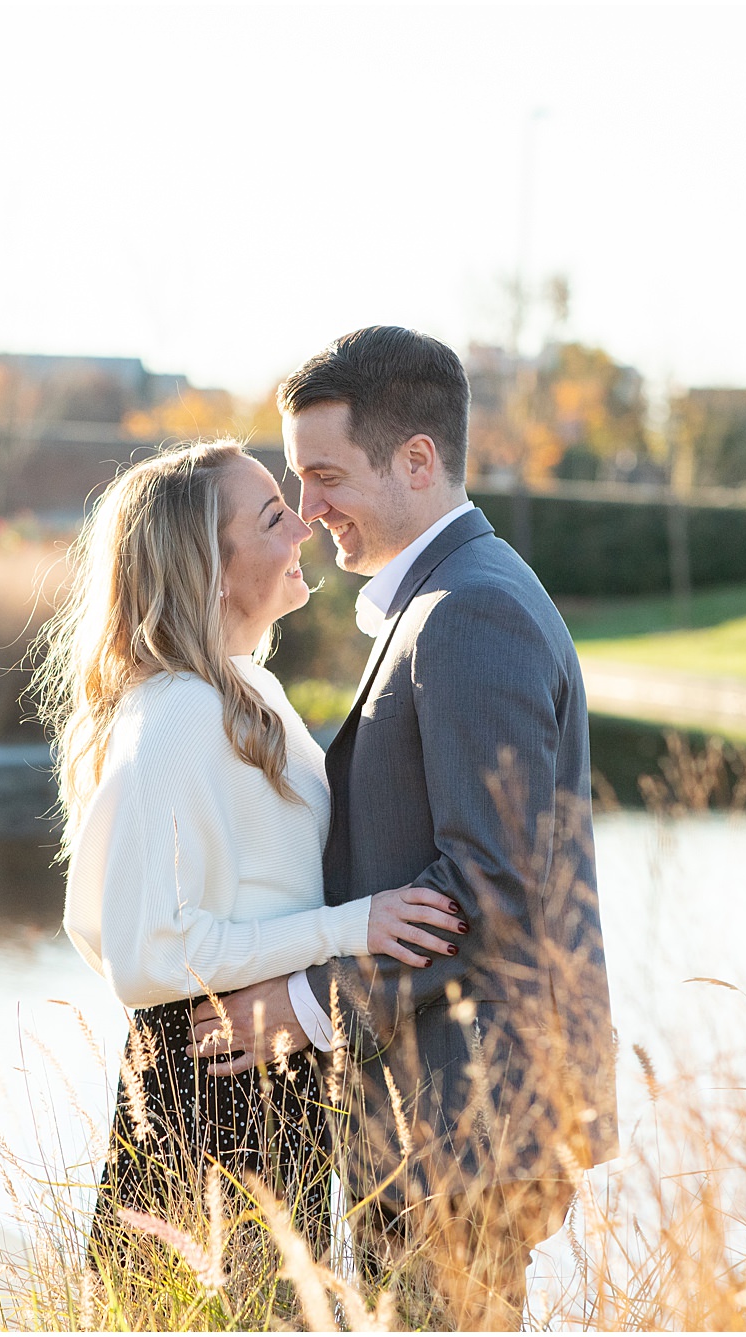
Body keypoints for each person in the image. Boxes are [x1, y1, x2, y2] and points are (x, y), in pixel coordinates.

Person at [186, 326, 619, 1329]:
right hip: (436, 1116)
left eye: (326, 474)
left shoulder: (470, 611)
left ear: (415, 459)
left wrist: (301, 1002)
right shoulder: (448, 595)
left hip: (462, 1122)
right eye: (297, 481)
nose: (308, 510)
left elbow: (490, 885)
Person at [33, 439, 465, 1270]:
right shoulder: (180, 712)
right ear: (211, 570)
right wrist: (350, 928)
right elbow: (147, 952)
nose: (305, 526)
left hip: (268, 1088)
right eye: (273, 517)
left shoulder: (247, 692)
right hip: (208, 1100)